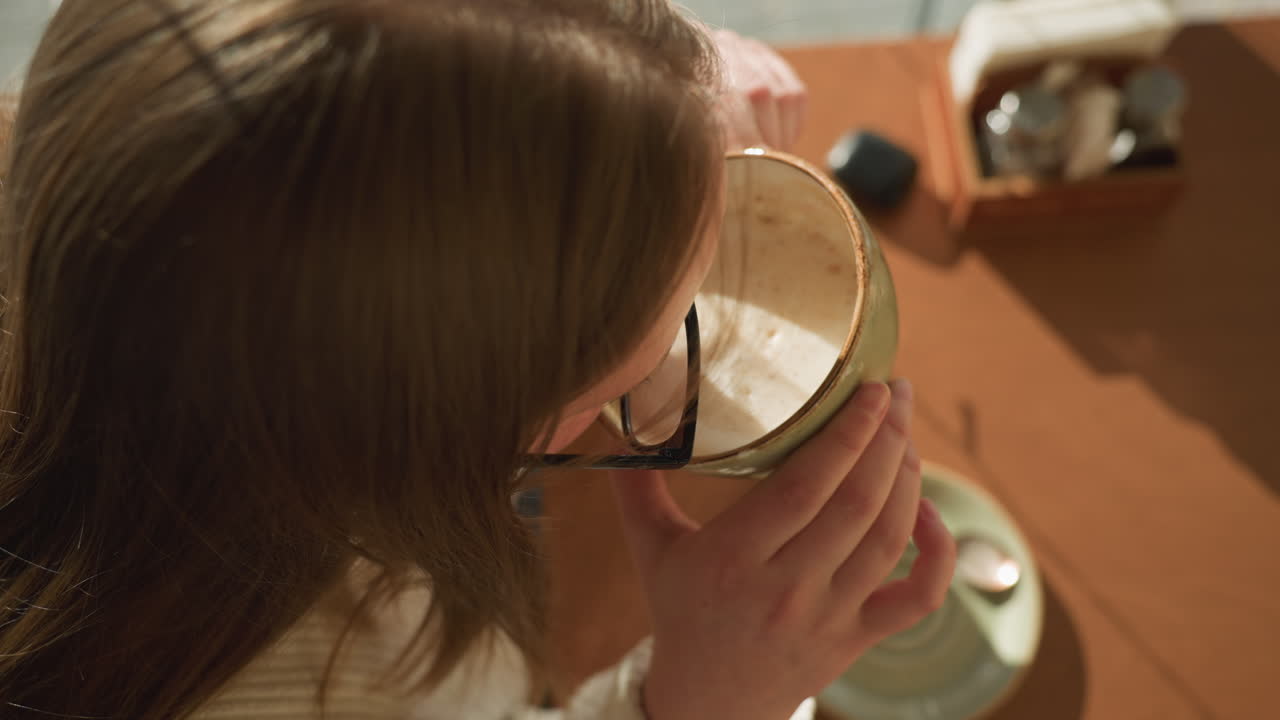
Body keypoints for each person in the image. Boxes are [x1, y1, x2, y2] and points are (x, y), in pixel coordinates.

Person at [0, 1, 956, 718]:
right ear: (432, 434)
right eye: (637, 375)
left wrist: (647, 103)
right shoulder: (341, 688)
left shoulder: (106, 187)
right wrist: (696, 700)